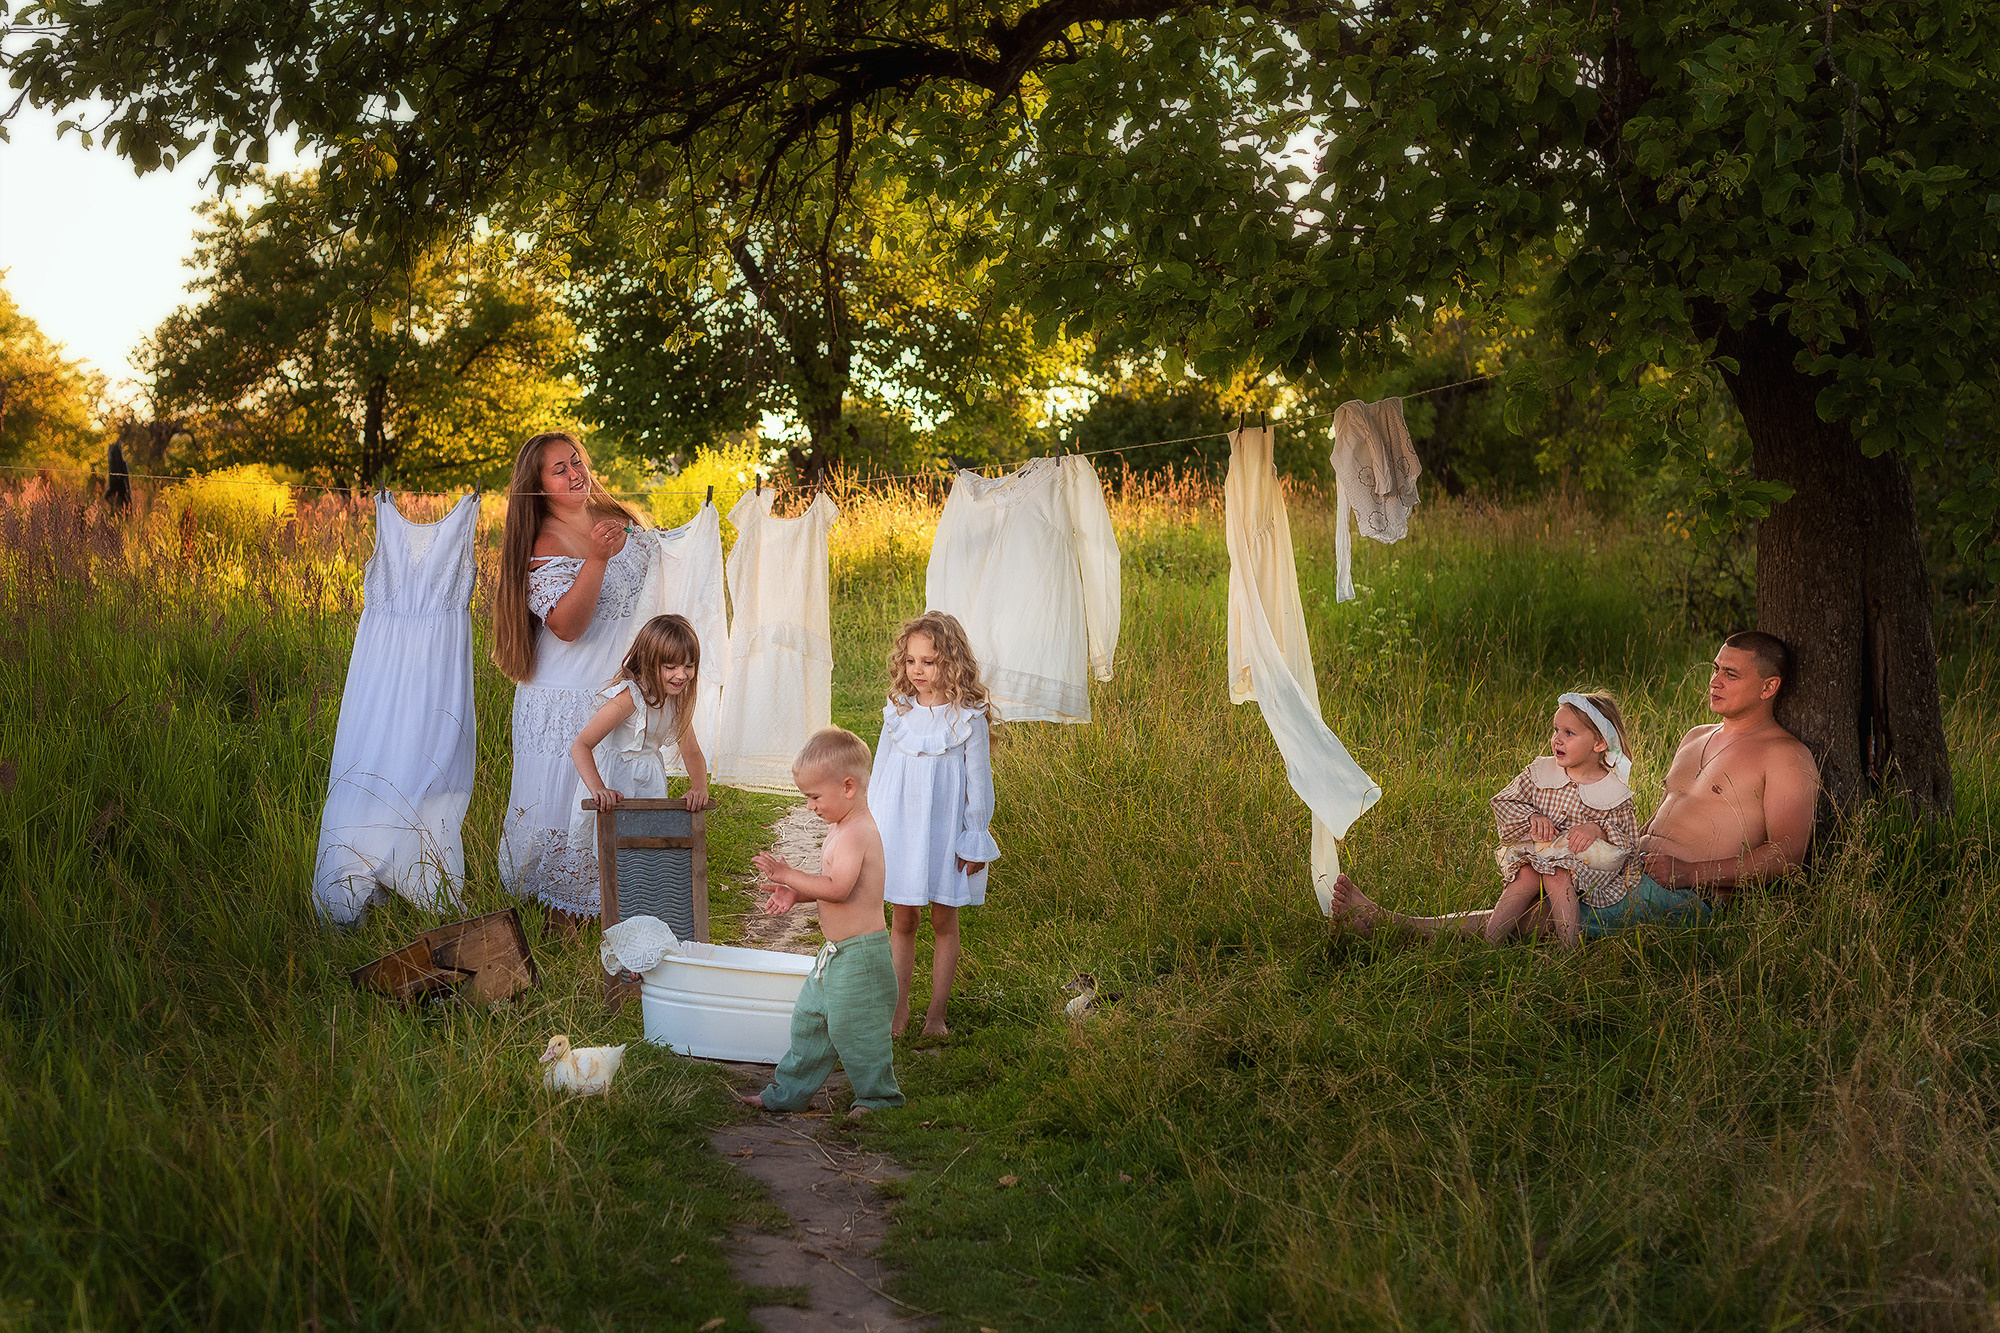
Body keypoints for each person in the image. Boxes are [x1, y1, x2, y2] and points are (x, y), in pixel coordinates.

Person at [1333, 631, 1818, 940]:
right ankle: (1410, 924)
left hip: (1686, 895)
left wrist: (1688, 875)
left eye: (1730, 674)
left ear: (1768, 687)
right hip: (1624, 867)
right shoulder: (1696, 738)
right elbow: (1652, 817)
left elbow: (1787, 856)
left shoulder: (1785, 755)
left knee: (1541, 923)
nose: (1714, 680)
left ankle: (1391, 926)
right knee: (1534, 879)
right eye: (1715, 668)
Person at [492, 430, 652, 928]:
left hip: (614, 690)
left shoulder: (619, 520)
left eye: (576, 461)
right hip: (564, 697)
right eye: (559, 469)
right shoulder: (543, 542)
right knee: (568, 806)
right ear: (538, 486)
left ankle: (621, 901)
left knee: (619, 790)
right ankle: (563, 913)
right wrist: (597, 560)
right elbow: (566, 625)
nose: (574, 473)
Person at [738, 727, 904, 1118]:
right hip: (835, 954)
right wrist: (799, 894)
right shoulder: (838, 828)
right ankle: (788, 1094)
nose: (809, 806)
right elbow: (830, 887)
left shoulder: (857, 832)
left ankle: (879, 1099)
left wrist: (787, 874)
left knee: (857, 1030)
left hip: (861, 956)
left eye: (814, 797)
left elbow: (841, 888)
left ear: (848, 786)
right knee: (809, 1021)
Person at [875, 612, 1000, 1039]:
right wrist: (872, 831)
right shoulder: (898, 712)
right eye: (911, 661)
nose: (918, 671)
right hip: (901, 830)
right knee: (903, 919)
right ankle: (897, 1011)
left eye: (929, 661)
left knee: (944, 920)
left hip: (945, 835)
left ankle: (936, 1016)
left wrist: (974, 838)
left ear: (952, 661)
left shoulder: (967, 717)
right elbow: (881, 774)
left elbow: (979, 785)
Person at [542, 614, 712, 916]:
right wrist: (599, 789)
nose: (681, 675)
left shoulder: (676, 699)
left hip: (647, 785)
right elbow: (580, 745)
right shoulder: (629, 698)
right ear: (649, 662)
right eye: (670, 666)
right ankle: (574, 915)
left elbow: (693, 752)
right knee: (602, 854)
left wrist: (698, 788)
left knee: (640, 852)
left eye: (688, 665)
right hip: (615, 783)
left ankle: (635, 911)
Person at [1485, 691, 1642, 947]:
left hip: (1581, 862)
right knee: (1525, 874)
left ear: (1599, 743)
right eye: (1556, 730)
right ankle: (1490, 942)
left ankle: (1569, 948)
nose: (1557, 740)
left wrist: (1597, 829)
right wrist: (1533, 816)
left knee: (1556, 873)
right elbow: (1504, 801)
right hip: (1538, 851)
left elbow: (1628, 839)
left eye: (1569, 733)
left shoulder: (1613, 792)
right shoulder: (1540, 773)